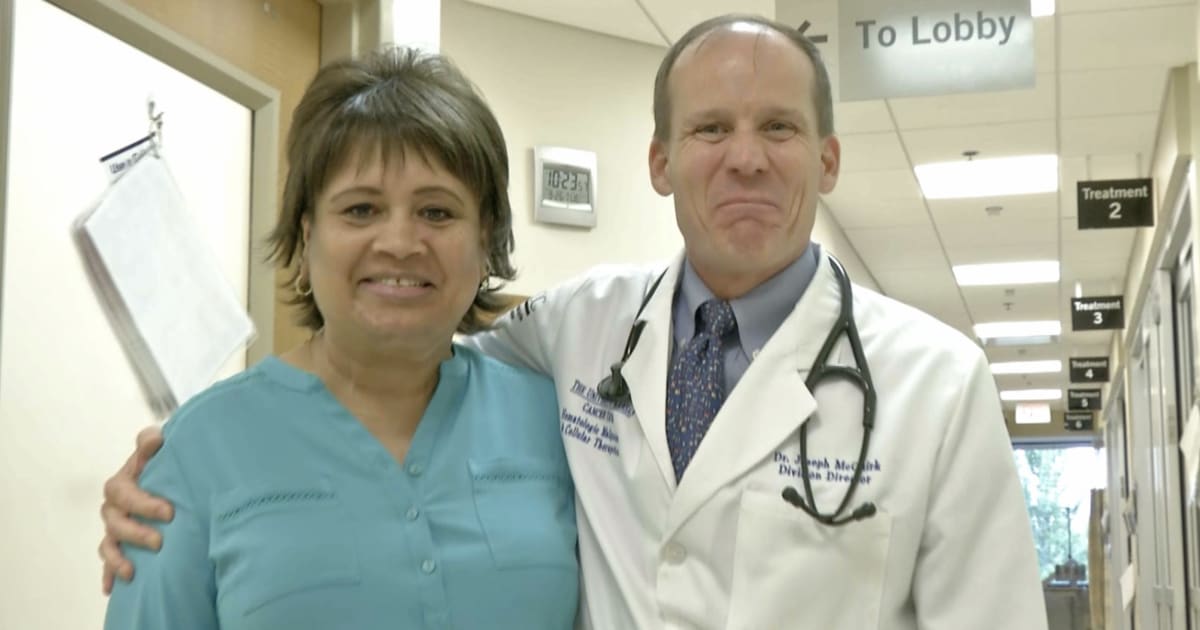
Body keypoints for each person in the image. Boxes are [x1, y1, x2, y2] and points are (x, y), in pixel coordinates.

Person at [100, 14, 1048, 629]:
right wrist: (179, 454)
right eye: (711, 129)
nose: (746, 160)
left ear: (829, 159)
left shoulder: (936, 379)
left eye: (781, 130)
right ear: (660, 160)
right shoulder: (577, 337)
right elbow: (395, 344)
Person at [101, 46, 579, 630]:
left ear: (486, 242)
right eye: (360, 210)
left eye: (436, 212)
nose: (400, 241)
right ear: (306, 240)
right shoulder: (200, 450)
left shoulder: (556, 422)